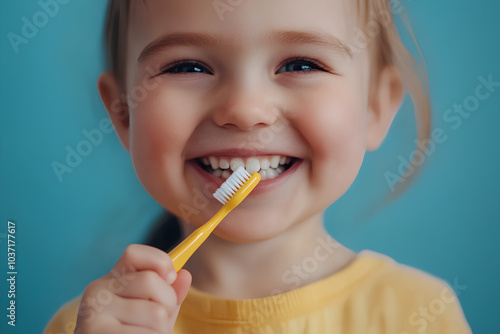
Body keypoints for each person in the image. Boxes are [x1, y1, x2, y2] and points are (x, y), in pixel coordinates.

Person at [44, 0, 472, 333]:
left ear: (375, 107)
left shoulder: (418, 315)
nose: (245, 110)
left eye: (301, 64)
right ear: (123, 114)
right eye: (188, 66)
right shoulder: (86, 325)